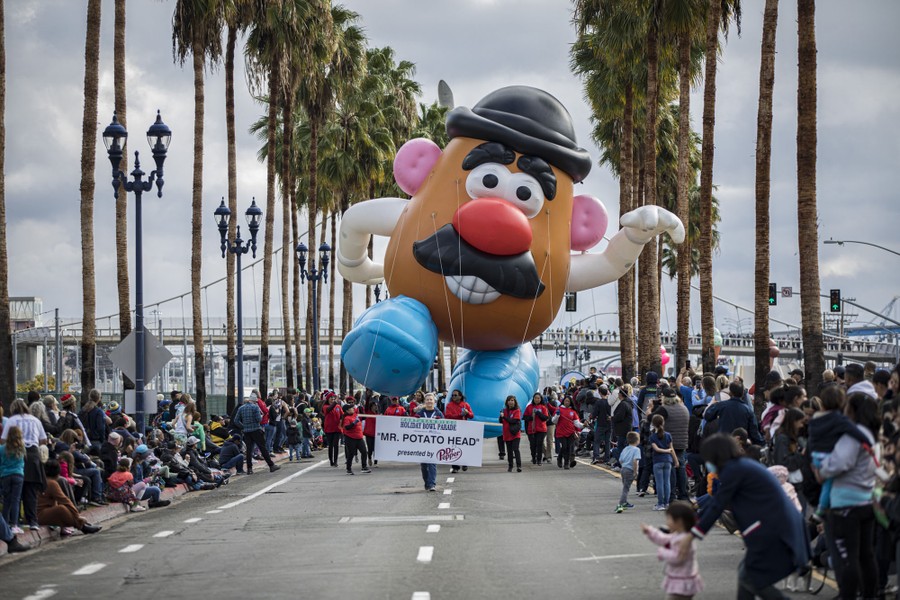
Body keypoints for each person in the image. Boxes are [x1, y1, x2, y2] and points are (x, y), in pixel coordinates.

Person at [684, 434, 809, 600]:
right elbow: (716, 503)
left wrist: (692, 535)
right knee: (746, 577)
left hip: (774, 531)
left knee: (752, 581)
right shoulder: (741, 466)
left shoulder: (734, 470)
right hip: (779, 527)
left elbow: (717, 505)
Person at [814, 391, 879, 600]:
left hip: (845, 505)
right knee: (865, 555)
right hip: (865, 500)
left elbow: (839, 462)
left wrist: (821, 470)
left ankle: (848, 595)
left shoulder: (852, 434)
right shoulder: (870, 434)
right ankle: (869, 594)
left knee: (847, 557)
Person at [1, 398, 47, 531]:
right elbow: (43, 439)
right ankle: (32, 520)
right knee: (31, 490)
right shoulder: (35, 420)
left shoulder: (11, 420)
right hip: (33, 454)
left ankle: (14, 520)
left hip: (16, 453)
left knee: (14, 494)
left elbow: (3, 440)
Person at [641, 501, 704, 599]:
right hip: (682, 581)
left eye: (668, 519)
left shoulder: (684, 540)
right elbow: (663, 538)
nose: (667, 522)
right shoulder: (678, 535)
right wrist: (650, 531)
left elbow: (678, 557)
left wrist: (662, 552)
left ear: (679, 521)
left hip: (682, 583)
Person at [37, 460, 101, 535]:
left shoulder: (43, 481)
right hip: (40, 515)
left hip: (40, 514)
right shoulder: (51, 483)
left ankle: (79, 525)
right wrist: (77, 516)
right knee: (61, 509)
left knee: (62, 507)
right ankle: (81, 526)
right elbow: (65, 500)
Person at [233, 396, 280, 474]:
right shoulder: (255, 407)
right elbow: (259, 419)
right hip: (256, 430)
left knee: (249, 450)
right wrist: (261, 417)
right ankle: (271, 465)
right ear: (254, 401)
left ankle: (249, 469)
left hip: (246, 431)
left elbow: (236, 420)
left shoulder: (241, 408)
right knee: (262, 448)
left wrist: (243, 426)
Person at [415, 394, 443, 491]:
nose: (429, 401)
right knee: (424, 465)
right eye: (427, 400)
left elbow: (446, 426)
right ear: (425, 402)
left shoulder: (438, 413)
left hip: (434, 442)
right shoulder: (421, 413)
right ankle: (427, 482)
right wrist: (416, 419)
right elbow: (412, 424)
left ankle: (431, 484)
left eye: (431, 400)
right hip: (423, 442)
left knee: (432, 463)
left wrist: (441, 421)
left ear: (434, 402)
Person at [0, 425, 26, 534]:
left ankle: (5, 524)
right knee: (16, 500)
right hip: (18, 474)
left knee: (7, 500)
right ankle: (14, 524)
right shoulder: (22, 448)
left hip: (5, 475)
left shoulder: (2, 448)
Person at [649, 414, 677, 511]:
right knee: (667, 483)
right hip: (668, 460)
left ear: (653, 424)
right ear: (663, 423)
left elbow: (656, 449)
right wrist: (676, 460)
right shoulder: (668, 435)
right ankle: (667, 503)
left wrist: (665, 451)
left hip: (658, 461)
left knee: (659, 483)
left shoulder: (653, 436)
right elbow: (672, 449)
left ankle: (660, 504)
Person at [444, 390, 474, 473]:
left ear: (460, 396)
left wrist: (467, 413)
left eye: (455, 395)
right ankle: (455, 467)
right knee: (453, 447)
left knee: (464, 446)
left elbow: (472, 416)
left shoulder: (465, 405)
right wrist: (459, 415)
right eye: (452, 395)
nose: (453, 397)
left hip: (464, 428)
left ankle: (465, 462)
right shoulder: (449, 405)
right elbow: (447, 416)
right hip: (453, 429)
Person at [616, 431, 641, 513]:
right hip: (630, 470)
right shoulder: (637, 449)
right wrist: (636, 471)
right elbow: (635, 461)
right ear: (637, 440)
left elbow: (620, 460)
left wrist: (624, 465)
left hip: (623, 469)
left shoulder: (625, 448)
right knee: (626, 489)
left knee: (625, 486)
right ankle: (621, 504)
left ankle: (625, 502)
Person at [554, 396, 581, 470]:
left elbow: (577, 423)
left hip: (570, 432)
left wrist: (582, 426)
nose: (567, 402)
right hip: (561, 432)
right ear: (563, 401)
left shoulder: (573, 411)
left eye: (568, 401)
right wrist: (557, 416)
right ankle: (560, 458)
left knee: (568, 448)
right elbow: (554, 421)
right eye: (565, 401)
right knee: (564, 446)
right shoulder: (559, 409)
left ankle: (566, 463)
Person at [342, 403, 369, 475]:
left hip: (359, 437)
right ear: (347, 411)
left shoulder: (355, 415)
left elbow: (362, 414)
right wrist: (354, 423)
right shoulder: (346, 418)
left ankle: (364, 467)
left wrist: (361, 407)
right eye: (351, 408)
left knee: (364, 452)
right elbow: (347, 427)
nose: (353, 409)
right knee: (351, 454)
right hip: (351, 438)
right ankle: (348, 469)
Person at [523, 392, 549, 465]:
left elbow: (545, 418)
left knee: (539, 444)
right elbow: (524, 417)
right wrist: (530, 417)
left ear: (541, 399)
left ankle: (539, 460)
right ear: (533, 399)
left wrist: (538, 413)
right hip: (531, 429)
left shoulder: (543, 407)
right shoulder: (529, 407)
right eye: (535, 398)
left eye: (538, 398)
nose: (537, 399)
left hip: (541, 429)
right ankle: (533, 457)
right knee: (532, 445)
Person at [499, 395, 522, 473]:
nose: (510, 402)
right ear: (507, 402)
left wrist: (504, 417)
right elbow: (500, 421)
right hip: (507, 434)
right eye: (509, 400)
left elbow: (514, 421)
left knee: (515, 449)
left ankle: (519, 466)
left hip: (515, 434)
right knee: (509, 451)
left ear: (515, 402)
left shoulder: (517, 410)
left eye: (512, 400)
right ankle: (510, 466)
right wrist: (501, 416)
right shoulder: (504, 410)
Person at [322, 392, 343, 468]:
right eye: (331, 398)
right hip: (329, 429)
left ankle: (336, 461)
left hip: (337, 428)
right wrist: (335, 402)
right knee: (330, 445)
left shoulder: (338, 406)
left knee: (336, 445)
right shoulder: (325, 406)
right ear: (328, 399)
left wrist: (341, 421)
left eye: (334, 399)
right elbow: (328, 409)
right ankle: (331, 460)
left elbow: (342, 415)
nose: (333, 400)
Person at [362, 399, 379, 467]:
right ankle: (369, 458)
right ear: (371, 406)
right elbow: (366, 406)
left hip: (376, 434)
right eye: (374, 405)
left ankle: (375, 462)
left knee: (376, 449)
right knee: (370, 448)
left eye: (376, 405)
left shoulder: (377, 414)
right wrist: (368, 396)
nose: (376, 407)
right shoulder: (368, 412)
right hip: (369, 433)